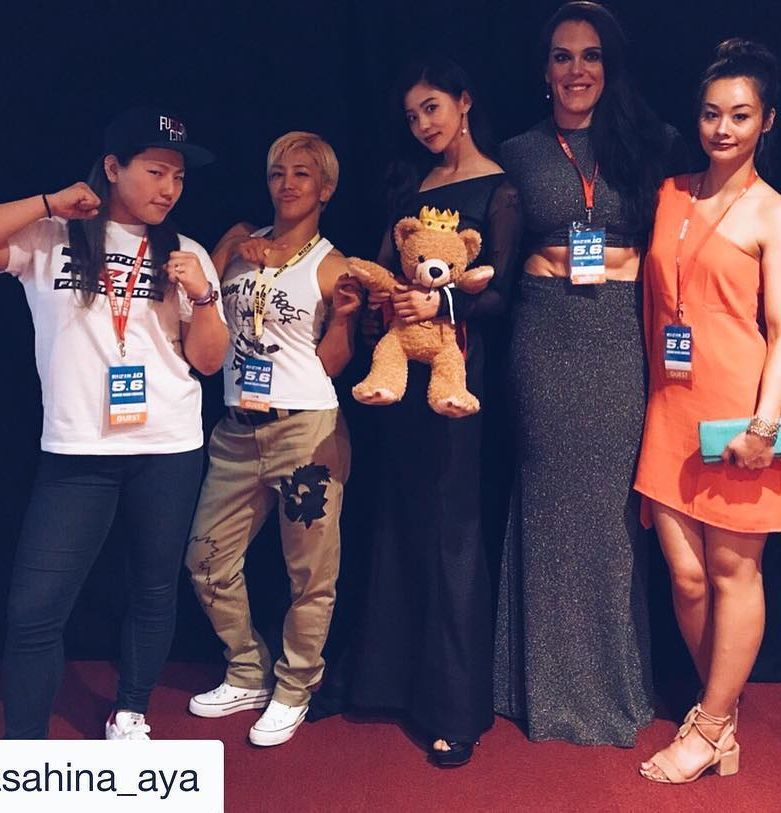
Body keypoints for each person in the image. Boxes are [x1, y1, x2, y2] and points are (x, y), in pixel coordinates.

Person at [0, 108, 228, 739]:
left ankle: (131, 712)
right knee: (34, 611)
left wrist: (203, 296)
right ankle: (24, 751)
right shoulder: (51, 235)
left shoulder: (188, 252)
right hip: (77, 450)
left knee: (153, 588)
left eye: (178, 176)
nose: (170, 188)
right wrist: (47, 203)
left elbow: (207, 361)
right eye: (156, 171)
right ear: (113, 167)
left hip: (168, 446)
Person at [493, 1, 687, 746]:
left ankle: (613, 685)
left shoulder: (651, 142)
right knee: (545, 503)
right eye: (562, 56)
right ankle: (537, 686)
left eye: (591, 55)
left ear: (611, 65)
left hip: (619, 337)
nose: (577, 70)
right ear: (543, 71)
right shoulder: (516, 151)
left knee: (611, 514)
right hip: (543, 335)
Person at [350, 57, 521, 767]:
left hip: (457, 382)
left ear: (464, 101)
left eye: (432, 107)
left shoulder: (500, 188)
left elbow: (501, 291)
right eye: (412, 114)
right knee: (397, 513)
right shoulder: (408, 185)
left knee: (453, 527)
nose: (423, 124)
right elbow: (386, 269)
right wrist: (378, 302)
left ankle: (454, 708)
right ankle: (386, 683)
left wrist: (441, 301)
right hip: (398, 380)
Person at [185, 132, 362, 747]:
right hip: (236, 431)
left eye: (302, 174)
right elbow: (196, 302)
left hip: (305, 432)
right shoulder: (239, 243)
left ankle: (296, 685)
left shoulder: (333, 264)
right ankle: (246, 670)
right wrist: (228, 247)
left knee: (309, 575)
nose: (287, 184)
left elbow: (333, 363)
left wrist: (345, 316)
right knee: (206, 560)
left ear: (325, 188)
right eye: (277, 173)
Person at [636, 39, 781, 783]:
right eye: (711, 113)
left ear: (766, 121)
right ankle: (715, 712)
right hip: (669, 408)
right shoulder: (670, 193)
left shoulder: (771, 212)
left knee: (732, 573)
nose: (723, 128)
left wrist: (764, 428)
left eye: (740, 115)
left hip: (738, 416)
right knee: (686, 578)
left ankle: (712, 725)